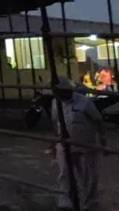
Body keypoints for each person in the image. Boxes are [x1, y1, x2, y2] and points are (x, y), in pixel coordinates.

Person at [52, 77, 106, 210]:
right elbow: (55, 121)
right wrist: (56, 139)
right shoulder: (56, 103)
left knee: (88, 175)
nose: (58, 95)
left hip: (85, 145)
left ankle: (90, 203)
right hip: (65, 144)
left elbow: (98, 120)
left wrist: (102, 139)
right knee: (64, 173)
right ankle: (66, 202)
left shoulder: (84, 102)